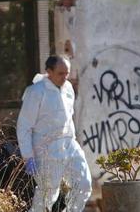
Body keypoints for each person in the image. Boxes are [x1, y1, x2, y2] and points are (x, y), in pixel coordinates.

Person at [17, 55, 92, 212]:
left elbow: (69, 118)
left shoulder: (68, 89)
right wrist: (28, 156)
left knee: (84, 184)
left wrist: (73, 141)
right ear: (49, 71)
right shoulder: (36, 91)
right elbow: (24, 126)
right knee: (48, 193)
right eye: (60, 73)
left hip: (69, 143)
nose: (65, 77)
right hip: (46, 148)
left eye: (67, 73)